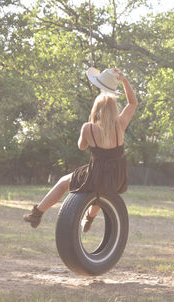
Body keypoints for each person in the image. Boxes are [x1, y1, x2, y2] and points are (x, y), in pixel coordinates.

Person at [23, 67, 137, 231]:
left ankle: (37, 213)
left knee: (65, 183)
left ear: (96, 109)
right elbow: (132, 103)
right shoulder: (120, 125)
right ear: (114, 110)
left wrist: (90, 126)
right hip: (117, 178)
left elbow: (81, 146)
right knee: (103, 188)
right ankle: (89, 219)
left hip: (96, 176)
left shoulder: (88, 128)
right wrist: (124, 80)